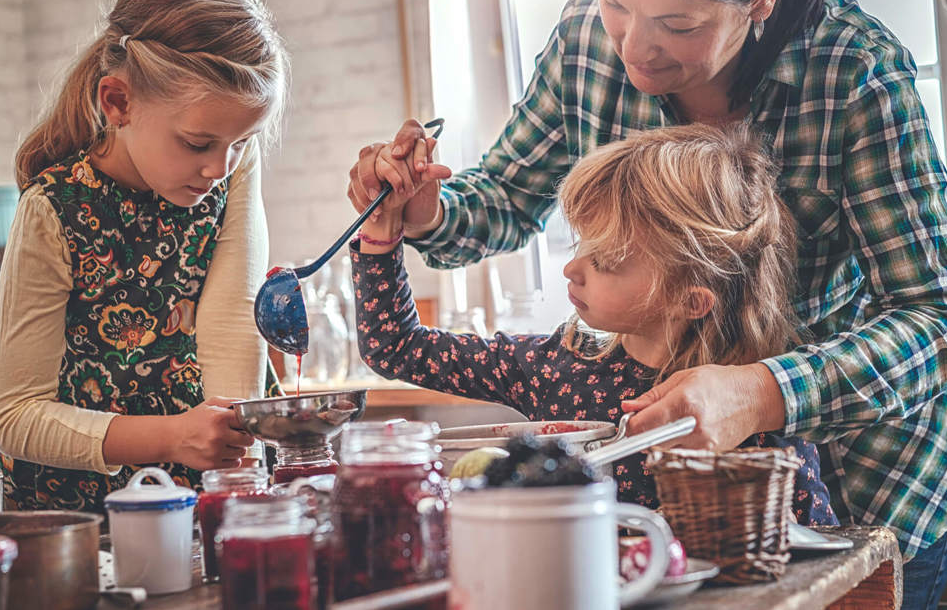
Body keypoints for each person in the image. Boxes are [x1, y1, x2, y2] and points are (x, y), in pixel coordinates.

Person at [347, 0, 947, 607]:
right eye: (615, 1)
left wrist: (762, 393)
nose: (631, 48)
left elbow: (938, 318)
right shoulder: (585, 40)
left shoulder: (855, 71)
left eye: (677, 23)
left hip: (879, 477)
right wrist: (423, 213)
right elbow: (501, 199)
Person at [352, 122, 837, 525]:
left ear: (690, 300)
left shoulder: (751, 410)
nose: (571, 268)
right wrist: (382, 229)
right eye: (582, 243)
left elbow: (816, 554)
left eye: (605, 260)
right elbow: (394, 346)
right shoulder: (553, 367)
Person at [0, 0, 288, 513]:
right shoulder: (52, 208)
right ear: (119, 102)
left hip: (204, 502)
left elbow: (231, 327)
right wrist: (172, 437)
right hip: (79, 521)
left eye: (242, 142)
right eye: (197, 143)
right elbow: (16, 417)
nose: (219, 169)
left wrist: (234, 480)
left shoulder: (226, 173)